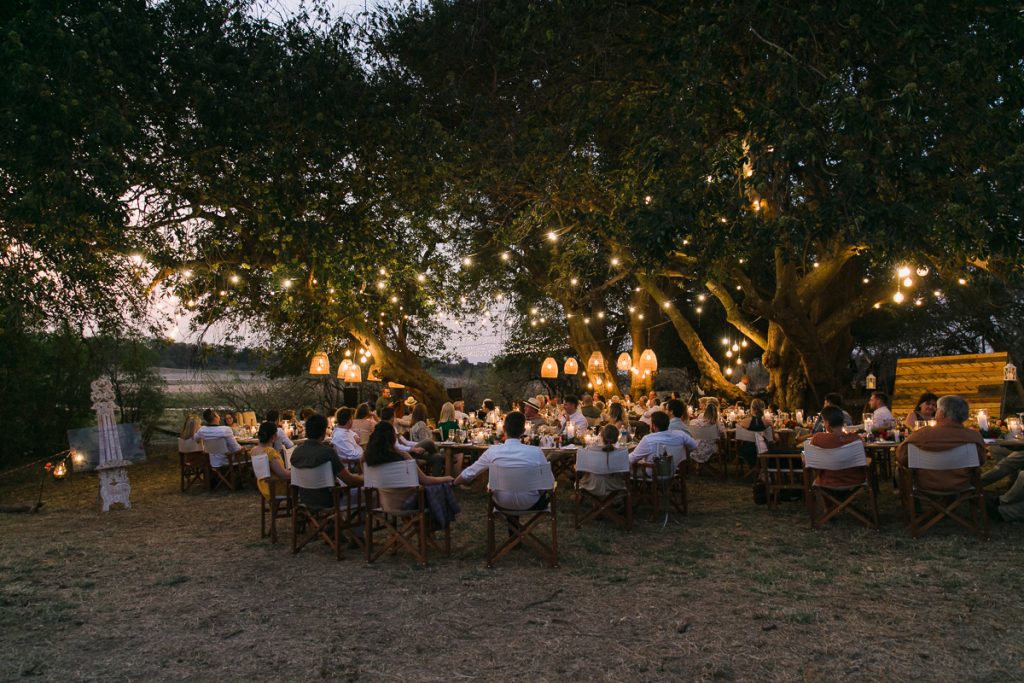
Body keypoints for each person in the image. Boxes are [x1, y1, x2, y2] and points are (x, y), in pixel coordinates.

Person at [453, 411, 551, 509]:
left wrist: (453, 483)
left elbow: (470, 473)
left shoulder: (492, 452)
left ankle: (513, 522)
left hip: (501, 503)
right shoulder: (536, 452)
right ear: (523, 431)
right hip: (530, 503)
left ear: (504, 429)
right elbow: (549, 482)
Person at [895, 395, 986, 492]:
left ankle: (911, 503)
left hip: (926, 485)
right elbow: (980, 460)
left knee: (898, 470)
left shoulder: (921, 435)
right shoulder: (974, 436)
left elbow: (901, 456)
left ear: (942, 413)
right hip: (962, 484)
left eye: (937, 409)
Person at [363, 421, 453, 512]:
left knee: (435, 456)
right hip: (410, 503)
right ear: (393, 439)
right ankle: (432, 524)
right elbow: (426, 480)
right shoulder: (403, 456)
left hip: (385, 504)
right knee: (440, 488)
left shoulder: (367, 459)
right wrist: (448, 478)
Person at [290, 413, 362, 508]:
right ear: (324, 432)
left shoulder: (296, 452)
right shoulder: (327, 453)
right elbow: (350, 481)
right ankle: (356, 522)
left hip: (305, 500)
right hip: (330, 500)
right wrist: (365, 478)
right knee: (371, 494)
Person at [807, 406, 864, 488]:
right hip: (855, 481)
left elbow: (811, 461)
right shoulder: (857, 439)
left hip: (828, 482)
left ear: (827, 423)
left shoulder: (818, 438)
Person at [380, 406, 443, 475]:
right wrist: (412, 449)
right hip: (402, 455)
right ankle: (440, 452)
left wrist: (419, 444)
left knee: (437, 457)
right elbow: (397, 447)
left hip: (408, 451)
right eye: (394, 417)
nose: (395, 419)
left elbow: (406, 442)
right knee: (428, 442)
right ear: (392, 418)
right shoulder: (386, 430)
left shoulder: (393, 428)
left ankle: (435, 484)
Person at [629, 411, 698, 464]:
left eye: (650, 423)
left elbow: (632, 459)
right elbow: (694, 446)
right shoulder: (681, 435)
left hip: (652, 474)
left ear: (654, 426)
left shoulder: (648, 439)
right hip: (673, 470)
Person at [577, 425, 628, 497]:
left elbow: (581, 471)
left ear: (601, 437)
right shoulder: (621, 453)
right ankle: (608, 504)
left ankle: (596, 504)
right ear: (617, 439)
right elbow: (625, 473)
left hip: (592, 485)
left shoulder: (590, 450)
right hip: (614, 486)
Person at [250, 420, 290, 500]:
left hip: (263, 486)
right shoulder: (269, 452)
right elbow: (283, 475)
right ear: (274, 436)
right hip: (275, 487)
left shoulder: (254, 450)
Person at [736, 398, 773, 469]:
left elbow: (738, 438)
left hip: (748, 451)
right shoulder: (768, 423)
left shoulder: (744, 422)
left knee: (741, 447)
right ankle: (762, 470)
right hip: (764, 451)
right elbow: (772, 439)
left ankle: (753, 469)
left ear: (752, 408)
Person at [688, 400, 725, 464]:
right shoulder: (717, 424)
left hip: (697, 448)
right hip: (711, 449)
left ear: (705, 412)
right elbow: (724, 435)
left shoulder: (697, 423)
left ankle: (699, 469)